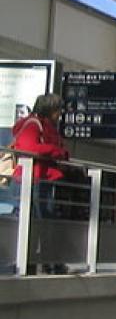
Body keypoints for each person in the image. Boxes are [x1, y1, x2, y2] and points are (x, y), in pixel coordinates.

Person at [11, 94, 71, 273]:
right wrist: (56, 151)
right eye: (57, 110)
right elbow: (29, 148)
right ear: (49, 109)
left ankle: (44, 261)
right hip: (34, 179)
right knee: (39, 221)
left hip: (43, 179)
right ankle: (35, 262)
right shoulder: (33, 124)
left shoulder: (45, 126)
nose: (59, 114)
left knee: (44, 221)